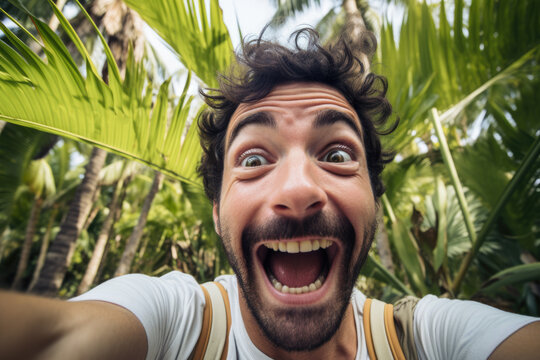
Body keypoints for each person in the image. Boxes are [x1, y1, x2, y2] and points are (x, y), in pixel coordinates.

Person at [0, 28, 538, 360]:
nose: (299, 190)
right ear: (216, 211)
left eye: (336, 154)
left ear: (374, 199)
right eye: (254, 159)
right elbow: (53, 338)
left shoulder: (424, 339)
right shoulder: (178, 323)